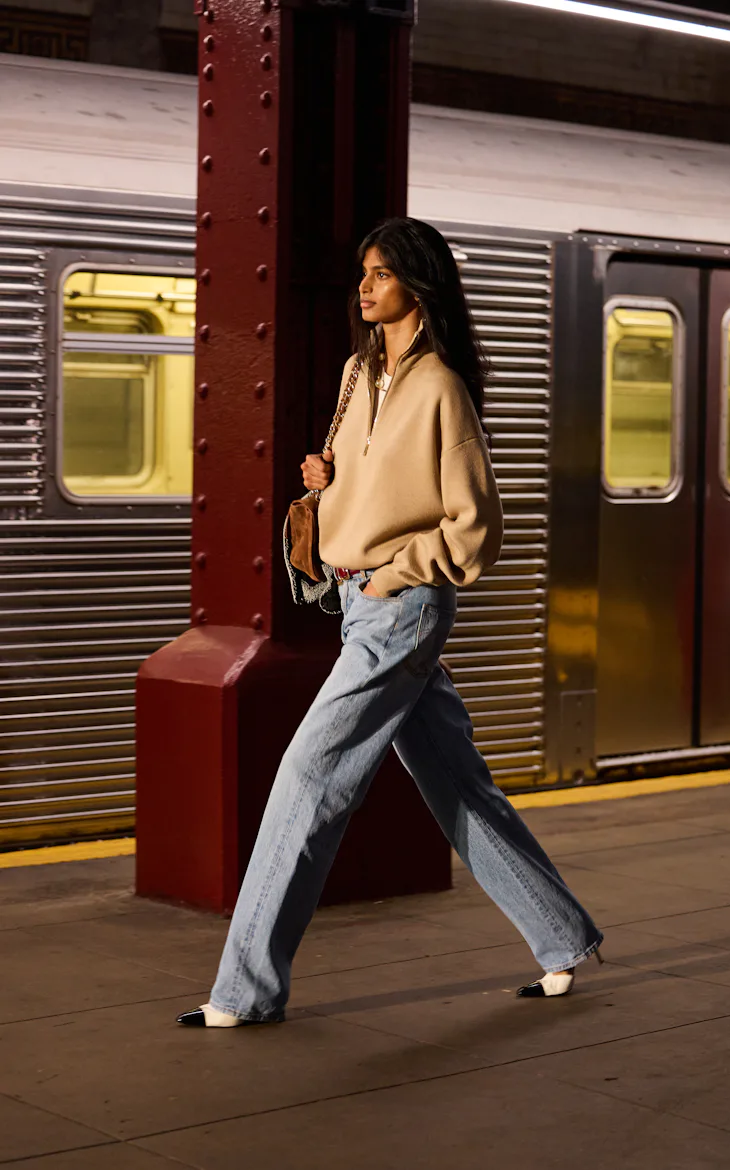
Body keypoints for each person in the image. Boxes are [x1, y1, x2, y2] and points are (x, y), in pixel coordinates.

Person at [177, 217, 603, 1027]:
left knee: (309, 779)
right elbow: (371, 486)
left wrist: (399, 572)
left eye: (380, 273)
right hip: (357, 606)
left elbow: (476, 528)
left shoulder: (441, 386)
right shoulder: (355, 374)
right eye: (361, 273)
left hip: (399, 611)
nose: (364, 286)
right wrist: (328, 481)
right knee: (456, 784)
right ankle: (564, 939)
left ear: (419, 282)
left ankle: (244, 992)